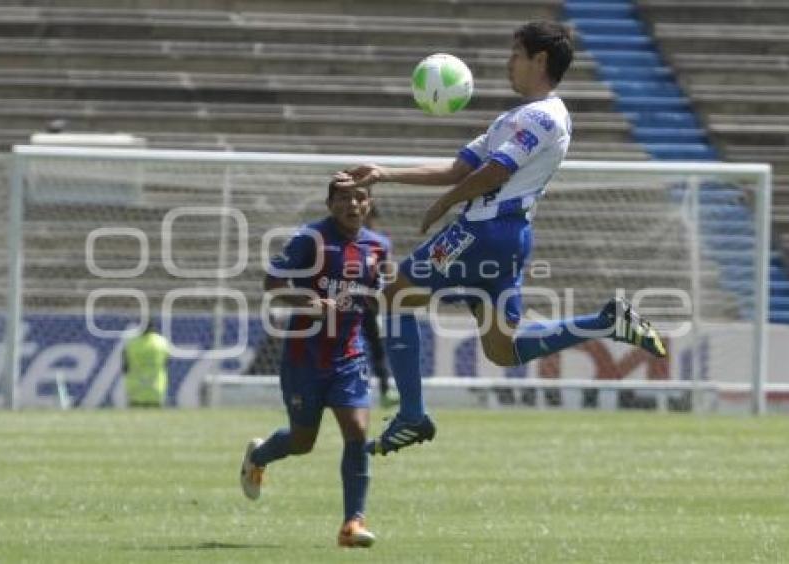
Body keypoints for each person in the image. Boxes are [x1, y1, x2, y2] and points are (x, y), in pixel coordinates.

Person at [333, 21, 667, 456]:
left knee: (395, 298)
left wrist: (445, 205)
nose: (508, 63)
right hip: (505, 237)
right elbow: (458, 169)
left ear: (539, 60)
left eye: (515, 54)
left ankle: (411, 414)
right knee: (503, 350)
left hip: (483, 231)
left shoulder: (544, 117)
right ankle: (605, 322)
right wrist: (385, 174)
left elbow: (495, 172)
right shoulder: (512, 118)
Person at [240, 180, 390, 548]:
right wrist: (309, 300)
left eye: (359, 198)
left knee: (356, 431)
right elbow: (271, 282)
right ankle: (257, 456)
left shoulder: (378, 246)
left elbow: (376, 292)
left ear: (368, 204)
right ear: (329, 203)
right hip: (303, 357)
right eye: (343, 198)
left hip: (349, 357)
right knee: (303, 442)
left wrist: (382, 298)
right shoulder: (310, 238)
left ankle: (352, 524)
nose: (352, 204)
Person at [362, 207, 398, 408]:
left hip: (370, 304)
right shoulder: (345, 239)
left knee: (377, 348)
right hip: (345, 303)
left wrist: (381, 293)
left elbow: (389, 272)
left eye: (370, 217)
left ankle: (385, 390)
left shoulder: (380, 242)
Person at [122, 320, 170, 408]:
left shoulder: (131, 344)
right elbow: (166, 363)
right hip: (156, 390)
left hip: (136, 391)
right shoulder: (162, 343)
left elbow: (125, 367)